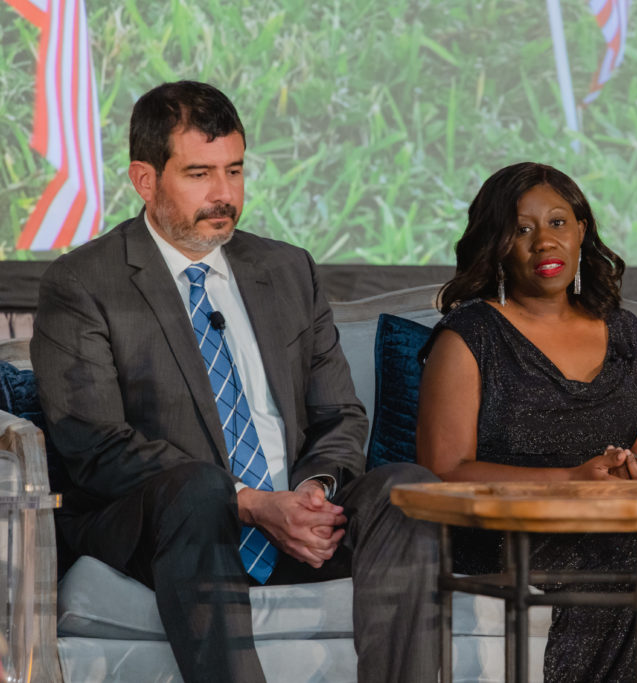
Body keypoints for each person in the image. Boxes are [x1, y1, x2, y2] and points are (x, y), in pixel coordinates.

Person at [30, 81, 439, 683]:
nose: (224, 195)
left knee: (407, 489)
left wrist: (313, 496)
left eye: (235, 170)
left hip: (297, 517)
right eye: (199, 173)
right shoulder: (85, 283)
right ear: (145, 180)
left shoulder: (286, 268)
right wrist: (249, 504)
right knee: (198, 489)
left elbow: (340, 416)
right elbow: (93, 445)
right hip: (170, 528)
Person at [417, 161, 637, 682]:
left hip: (616, 521)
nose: (543, 243)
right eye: (521, 228)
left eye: (557, 223)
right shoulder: (469, 335)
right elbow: (442, 469)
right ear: (497, 242)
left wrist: (632, 476)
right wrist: (571, 482)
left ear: (582, 230)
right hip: (512, 528)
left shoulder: (626, 334)